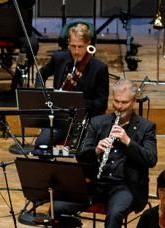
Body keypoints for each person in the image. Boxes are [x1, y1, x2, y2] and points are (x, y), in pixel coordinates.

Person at [51, 79, 156, 228]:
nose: (119, 106)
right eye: (116, 101)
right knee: (57, 208)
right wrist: (96, 151)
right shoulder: (98, 122)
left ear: (133, 102)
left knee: (115, 214)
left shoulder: (145, 127)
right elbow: (81, 153)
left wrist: (127, 141)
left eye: (124, 102)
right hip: (96, 182)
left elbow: (151, 159)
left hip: (124, 186)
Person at [34, 23, 109, 151]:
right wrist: (43, 96)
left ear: (89, 44)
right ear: (68, 42)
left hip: (86, 119)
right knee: (41, 145)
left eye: (81, 47)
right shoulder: (59, 58)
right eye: (73, 46)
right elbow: (41, 74)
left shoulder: (100, 68)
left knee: (85, 150)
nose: (76, 51)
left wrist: (78, 103)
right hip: (60, 117)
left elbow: (102, 103)